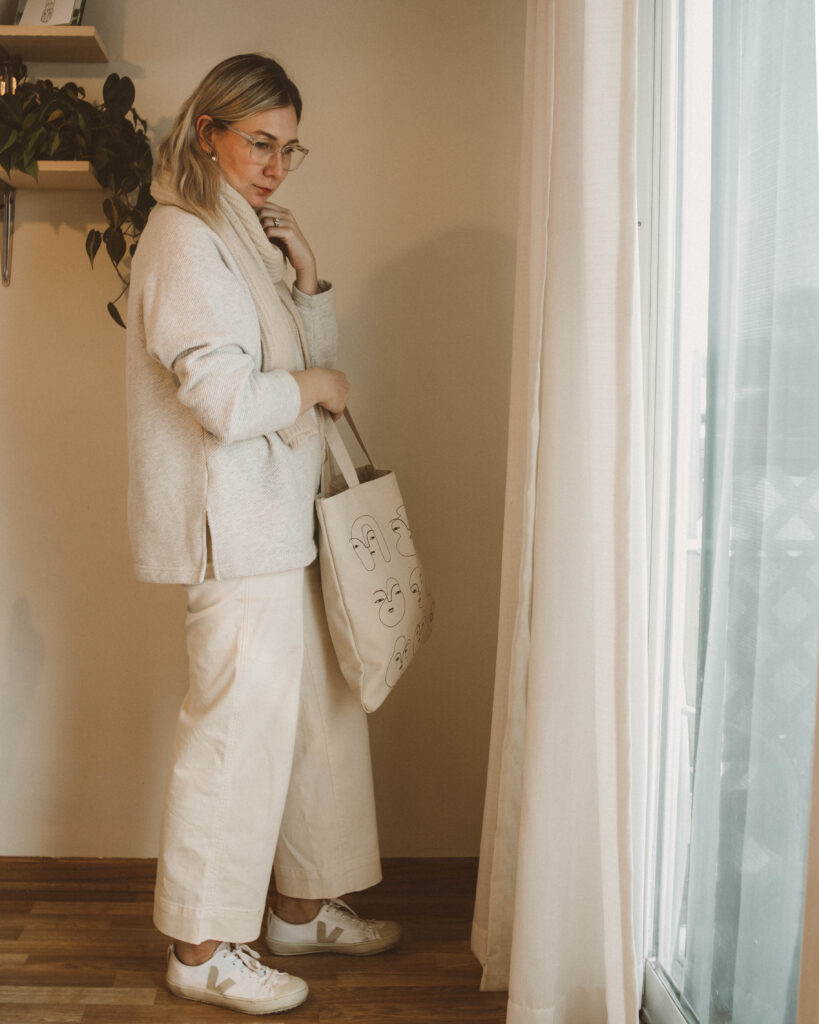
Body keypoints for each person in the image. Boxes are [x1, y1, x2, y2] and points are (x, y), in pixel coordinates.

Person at [125, 53, 399, 1016]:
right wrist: (315, 387)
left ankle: (297, 908)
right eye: (259, 143)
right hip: (233, 529)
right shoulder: (184, 238)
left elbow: (311, 385)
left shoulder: (244, 238)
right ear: (207, 132)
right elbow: (224, 396)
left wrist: (309, 281)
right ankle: (200, 951)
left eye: (290, 148)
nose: (277, 164)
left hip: (281, 522)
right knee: (236, 736)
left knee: (313, 727)